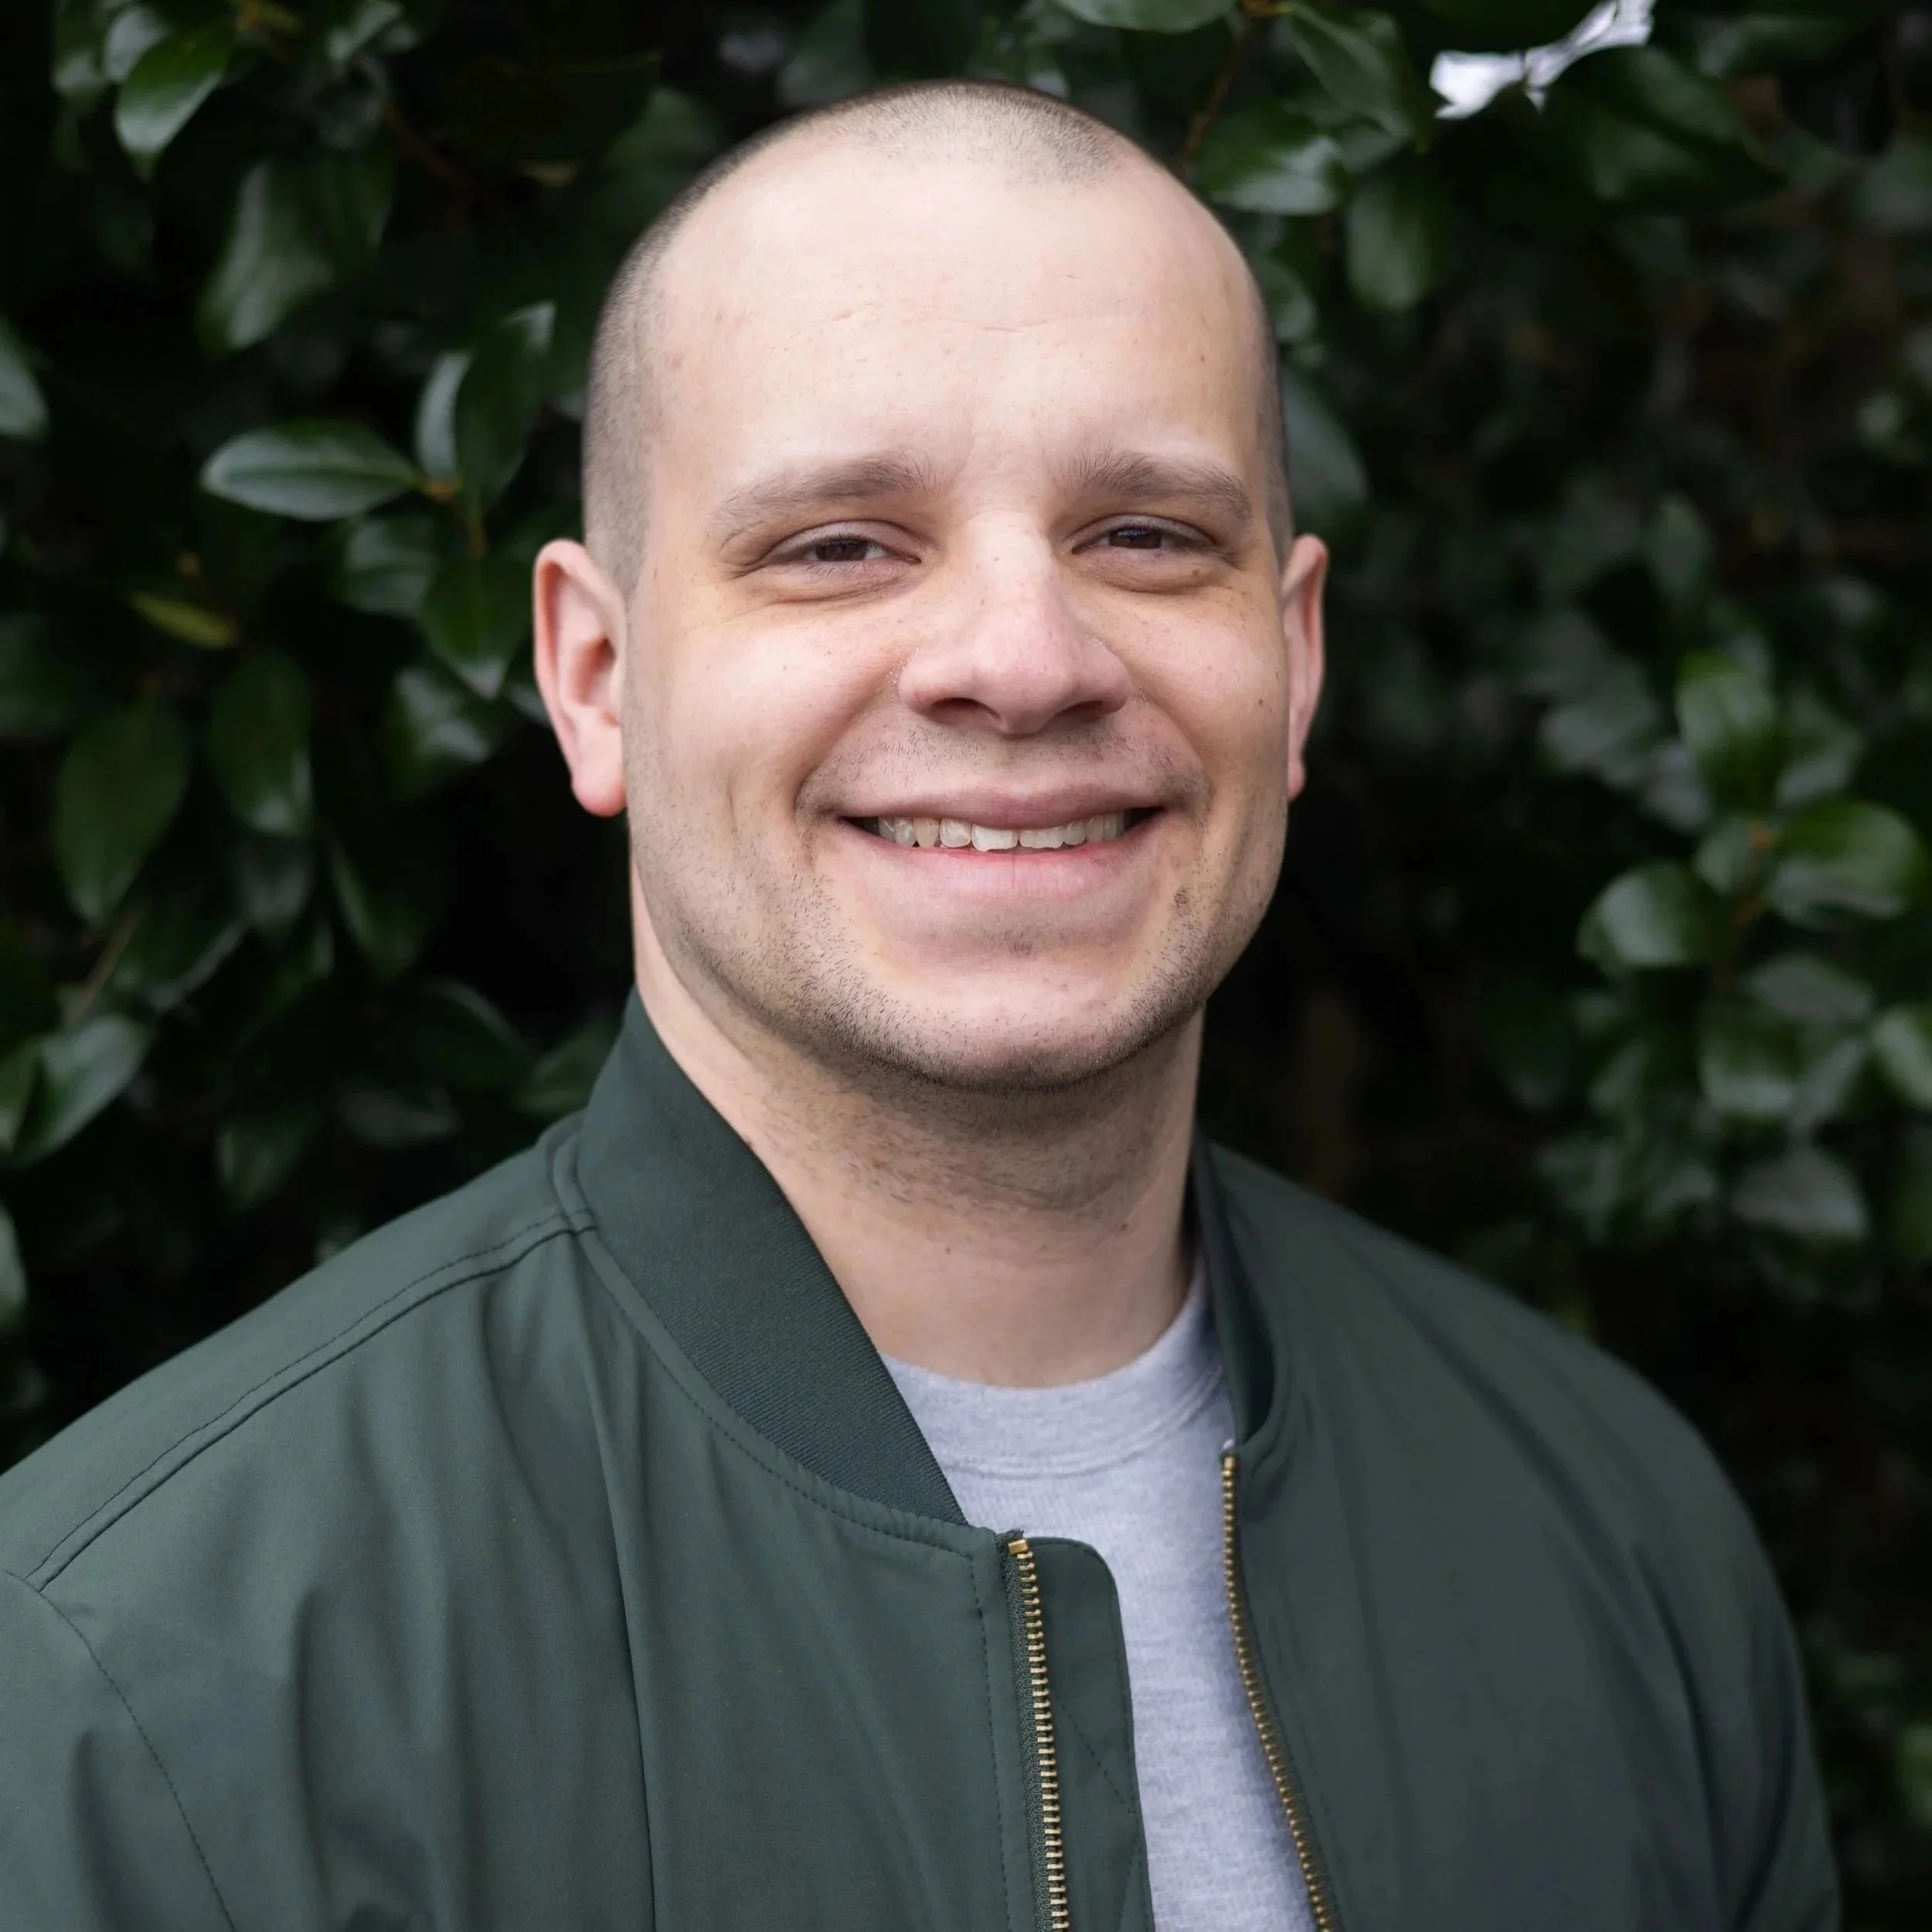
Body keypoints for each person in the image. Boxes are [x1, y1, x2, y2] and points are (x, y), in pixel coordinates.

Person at [0, 80, 1835, 1932]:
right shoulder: (146, 1673)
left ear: (1290, 666)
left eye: (1140, 533)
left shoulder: (1611, 1537)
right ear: (596, 676)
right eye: (841, 543)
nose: (1022, 659)